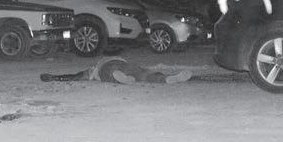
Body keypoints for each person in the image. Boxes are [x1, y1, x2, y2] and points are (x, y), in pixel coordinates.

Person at [40, 56, 193, 84]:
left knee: (109, 73)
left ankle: (119, 78)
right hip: (127, 64)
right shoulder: (118, 58)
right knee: (144, 74)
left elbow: (74, 76)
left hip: (109, 67)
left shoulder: (95, 69)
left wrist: (53, 77)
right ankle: (166, 79)